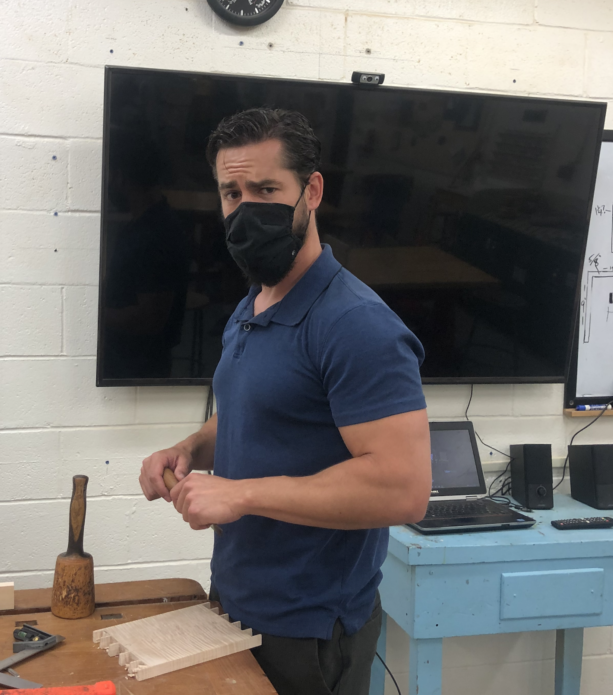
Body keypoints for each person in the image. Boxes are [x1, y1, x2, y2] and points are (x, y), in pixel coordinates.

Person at [138, 108, 432, 695]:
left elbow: (404, 487)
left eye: (266, 189)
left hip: (311, 632)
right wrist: (192, 447)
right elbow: (262, 405)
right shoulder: (254, 304)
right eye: (232, 192)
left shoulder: (357, 325)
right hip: (240, 602)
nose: (246, 208)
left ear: (312, 190)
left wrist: (242, 493)